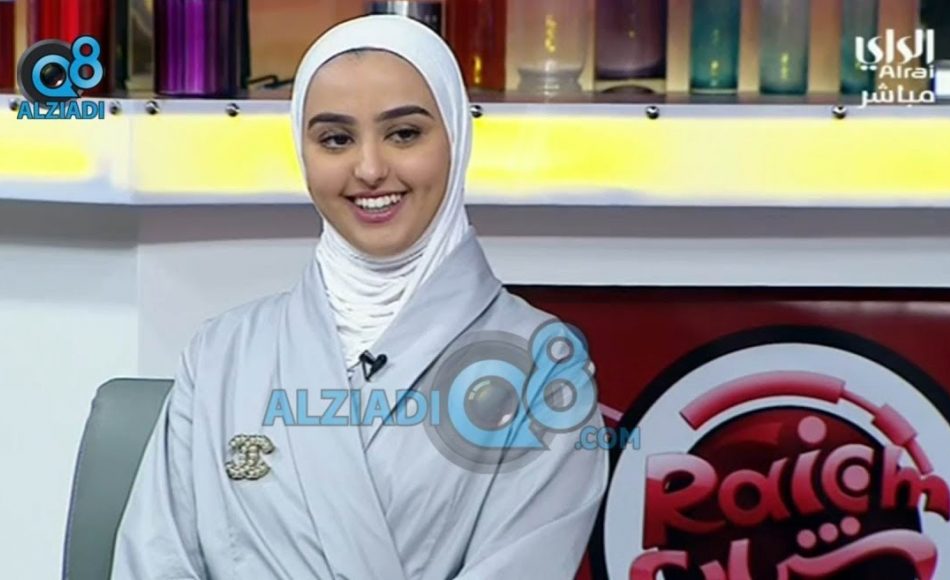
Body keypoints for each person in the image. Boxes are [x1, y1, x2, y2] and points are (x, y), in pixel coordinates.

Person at [111, 14, 607, 580]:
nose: (370, 169)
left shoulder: (545, 370)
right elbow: (152, 564)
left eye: (404, 134)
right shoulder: (220, 355)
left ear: (456, 139)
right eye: (336, 140)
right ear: (303, 153)